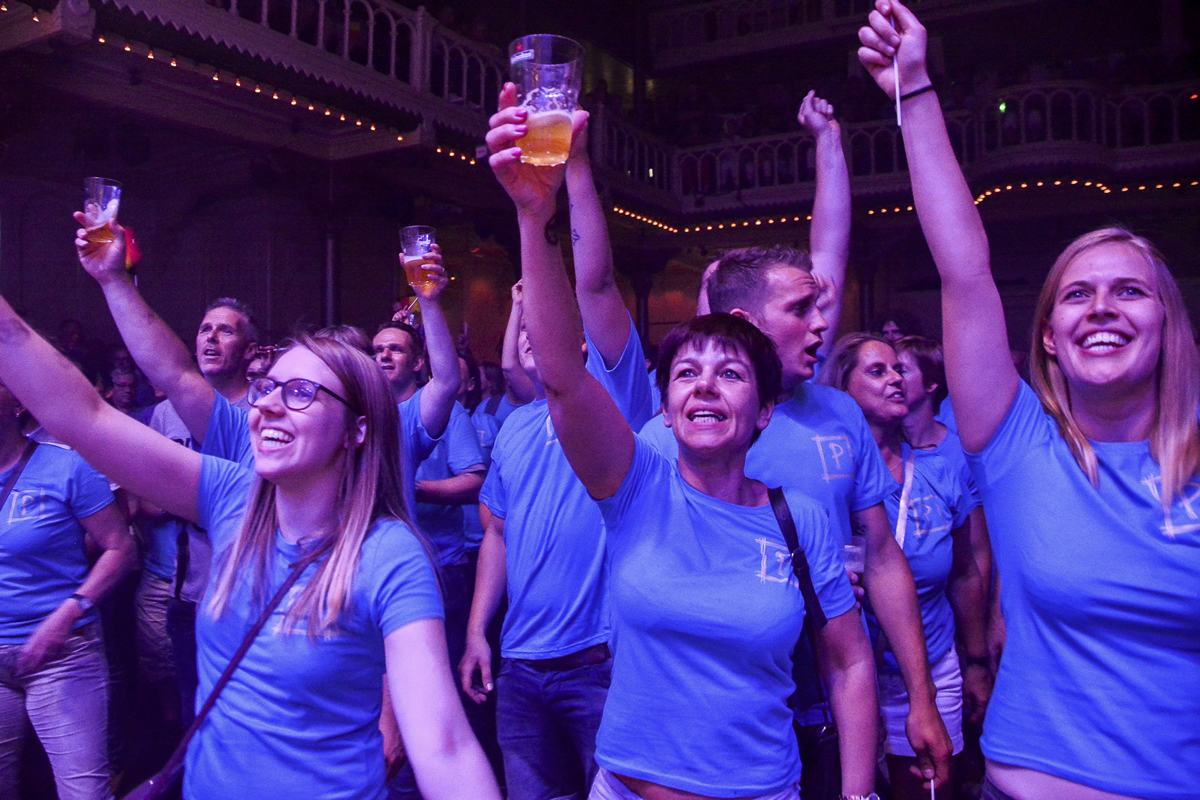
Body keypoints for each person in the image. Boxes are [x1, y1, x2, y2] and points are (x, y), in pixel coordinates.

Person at [487, 83, 877, 800]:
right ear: (664, 407)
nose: (703, 385)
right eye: (686, 373)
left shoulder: (802, 520)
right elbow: (568, 378)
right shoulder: (635, 487)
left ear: (762, 413)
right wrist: (534, 218)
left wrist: (858, 794)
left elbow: (849, 662)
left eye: (729, 374)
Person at [857, 2, 1200, 798]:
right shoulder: (1016, 446)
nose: (1102, 307)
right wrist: (915, 92)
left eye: (1129, 293)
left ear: (1168, 323)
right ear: (1048, 336)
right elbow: (964, 268)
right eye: (1076, 296)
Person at [0, 289, 502, 799]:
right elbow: (84, 416)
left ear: (357, 430)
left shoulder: (387, 554)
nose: (268, 407)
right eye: (268, 389)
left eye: (302, 392)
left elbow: (445, 746)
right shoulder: (231, 497)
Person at [642, 110, 951, 793]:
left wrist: (923, 698)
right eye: (803, 313)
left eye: (820, 309)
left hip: (840, 692)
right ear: (748, 326)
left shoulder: (840, 412)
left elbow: (882, 557)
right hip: (714, 727)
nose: (823, 324)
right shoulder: (678, 435)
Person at [462, 112, 653, 800]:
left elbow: (595, 283)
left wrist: (573, 168)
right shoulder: (513, 427)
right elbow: (497, 536)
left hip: (600, 661)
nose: (529, 343)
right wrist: (480, 630)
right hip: (521, 663)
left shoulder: (615, 399)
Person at [817, 334, 989, 799]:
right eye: (877, 371)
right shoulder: (819, 478)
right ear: (842, 389)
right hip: (836, 682)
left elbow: (966, 573)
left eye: (898, 370)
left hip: (928, 672)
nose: (895, 378)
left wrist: (977, 662)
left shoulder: (940, 472)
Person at [0, 379, 137, 800]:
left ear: (18, 400)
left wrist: (69, 611)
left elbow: (121, 547)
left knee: (83, 793)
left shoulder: (66, 466)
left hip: (63, 655)